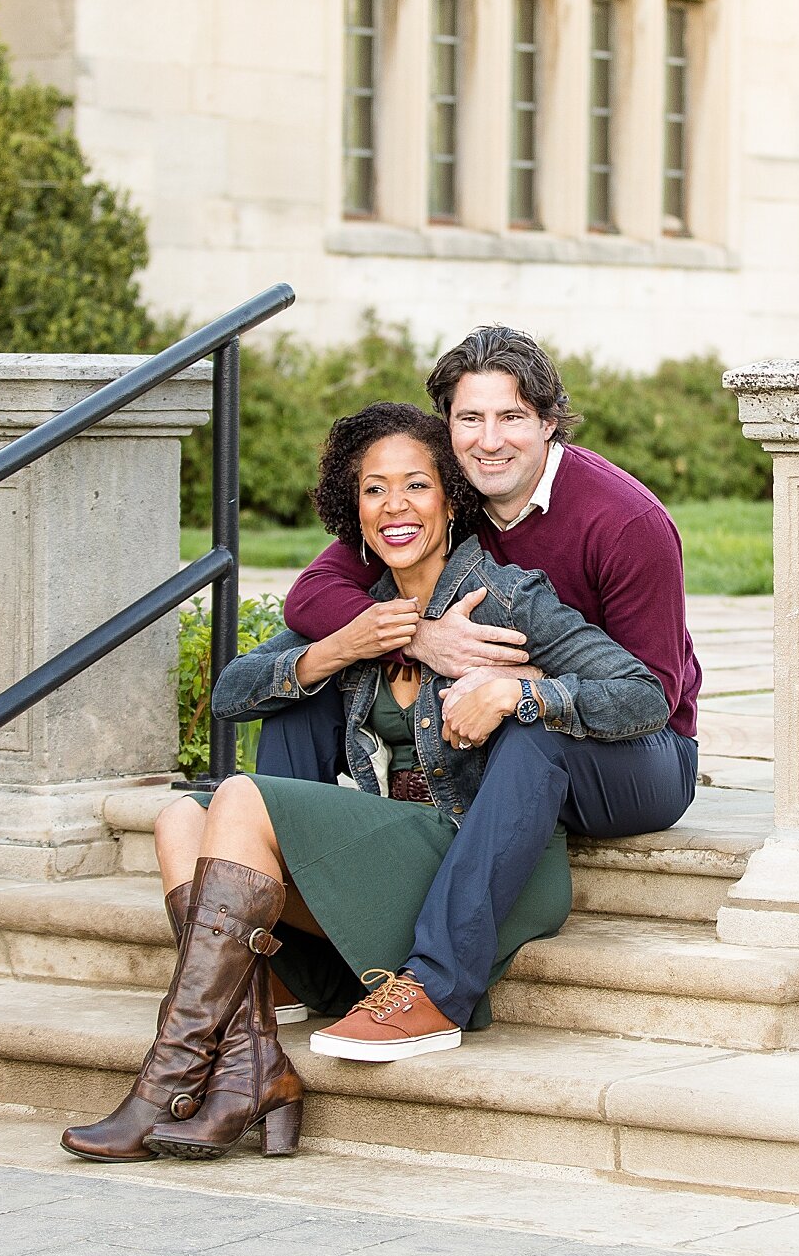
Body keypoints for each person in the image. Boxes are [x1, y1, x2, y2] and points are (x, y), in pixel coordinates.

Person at [60, 402, 670, 1164]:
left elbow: (644, 695)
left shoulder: (511, 598)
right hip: (389, 856)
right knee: (179, 820)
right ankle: (250, 1068)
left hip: (472, 855)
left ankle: (168, 1081)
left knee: (240, 798)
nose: (395, 507)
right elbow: (234, 690)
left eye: (416, 486)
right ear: (353, 511)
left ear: (451, 496)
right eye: (374, 491)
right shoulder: (368, 610)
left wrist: (523, 692)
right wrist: (339, 648)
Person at [273, 326, 703, 854]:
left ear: (549, 423)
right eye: (471, 419)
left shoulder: (625, 523)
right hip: (487, 737)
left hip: (641, 750)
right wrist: (418, 638)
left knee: (531, 735)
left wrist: (525, 684)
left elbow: (653, 694)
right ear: (448, 426)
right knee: (298, 701)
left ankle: (448, 929)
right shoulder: (452, 495)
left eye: (512, 417)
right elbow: (313, 593)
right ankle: (291, 874)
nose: (490, 441)